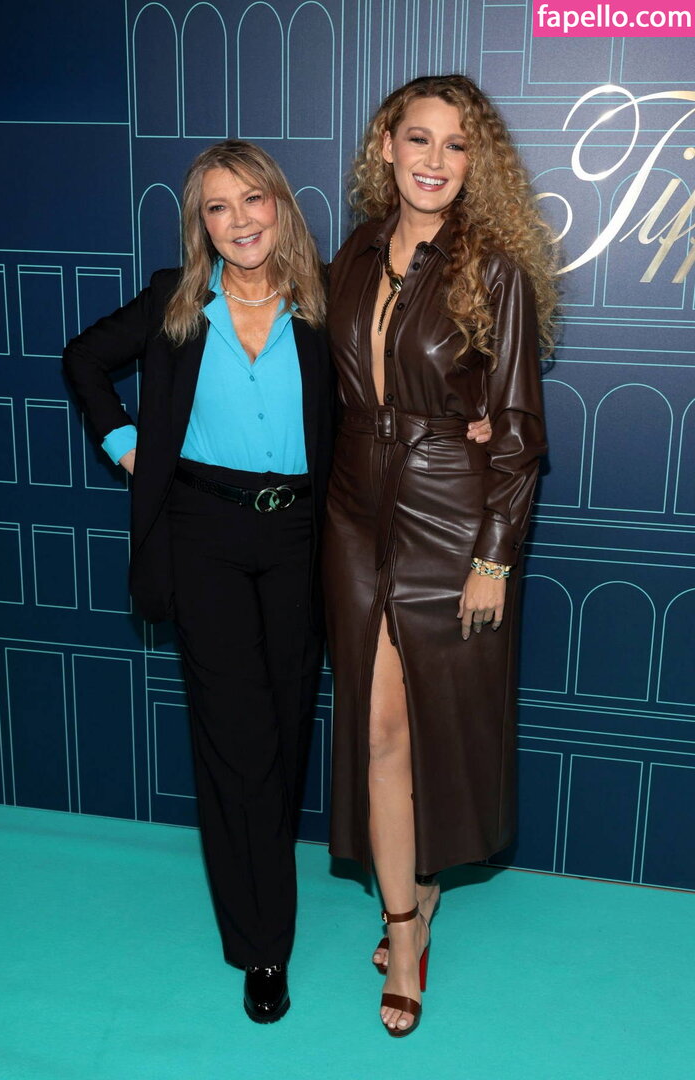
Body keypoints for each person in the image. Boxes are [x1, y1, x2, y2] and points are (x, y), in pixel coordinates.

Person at [63, 140, 335, 1023]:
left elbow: (392, 390)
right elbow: (83, 360)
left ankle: (261, 890)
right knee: (235, 742)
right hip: (203, 533)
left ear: (279, 205)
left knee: (285, 731)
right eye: (219, 207)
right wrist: (128, 447)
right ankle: (262, 945)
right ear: (201, 224)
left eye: (253, 199)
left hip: (300, 537)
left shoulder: (326, 301)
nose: (240, 220)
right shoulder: (175, 301)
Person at [323, 74, 558, 1036]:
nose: (434, 160)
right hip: (352, 513)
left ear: (475, 162)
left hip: (450, 517)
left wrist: (494, 555)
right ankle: (404, 918)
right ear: (386, 146)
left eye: (456, 145)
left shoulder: (491, 270)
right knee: (377, 731)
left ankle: (416, 913)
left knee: (432, 729)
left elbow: (519, 431)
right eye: (417, 139)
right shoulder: (352, 255)